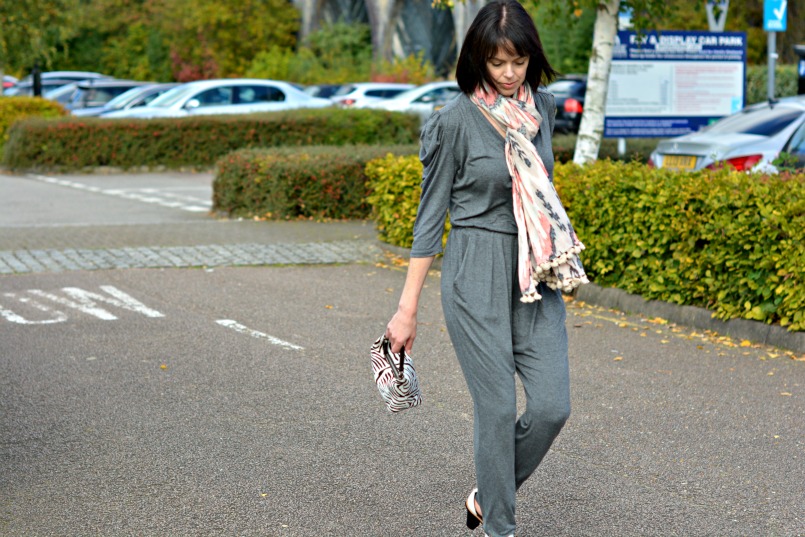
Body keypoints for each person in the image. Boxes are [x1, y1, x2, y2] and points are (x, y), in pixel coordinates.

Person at [384, 1, 588, 535]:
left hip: (534, 271)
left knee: (551, 406)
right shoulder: (453, 122)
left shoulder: (541, 108)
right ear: (478, 59)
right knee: (496, 410)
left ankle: (488, 490)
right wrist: (407, 312)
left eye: (518, 61)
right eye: (497, 63)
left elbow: (540, 193)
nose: (508, 73)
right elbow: (429, 223)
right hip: (474, 268)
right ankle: (502, 527)